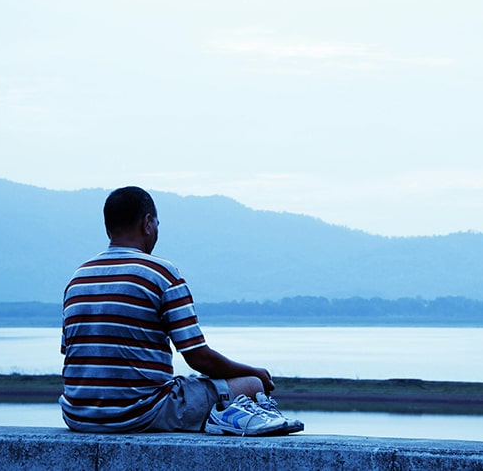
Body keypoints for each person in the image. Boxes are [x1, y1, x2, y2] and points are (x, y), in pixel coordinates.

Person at [60, 186, 302, 435]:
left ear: (108, 227)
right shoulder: (161, 273)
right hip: (140, 414)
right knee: (252, 385)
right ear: (147, 224)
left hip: (77, 415)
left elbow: (73, 354)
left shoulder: (78, 278)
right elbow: (199, 358)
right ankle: (225, 417)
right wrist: (253, 372)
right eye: (156, 224)